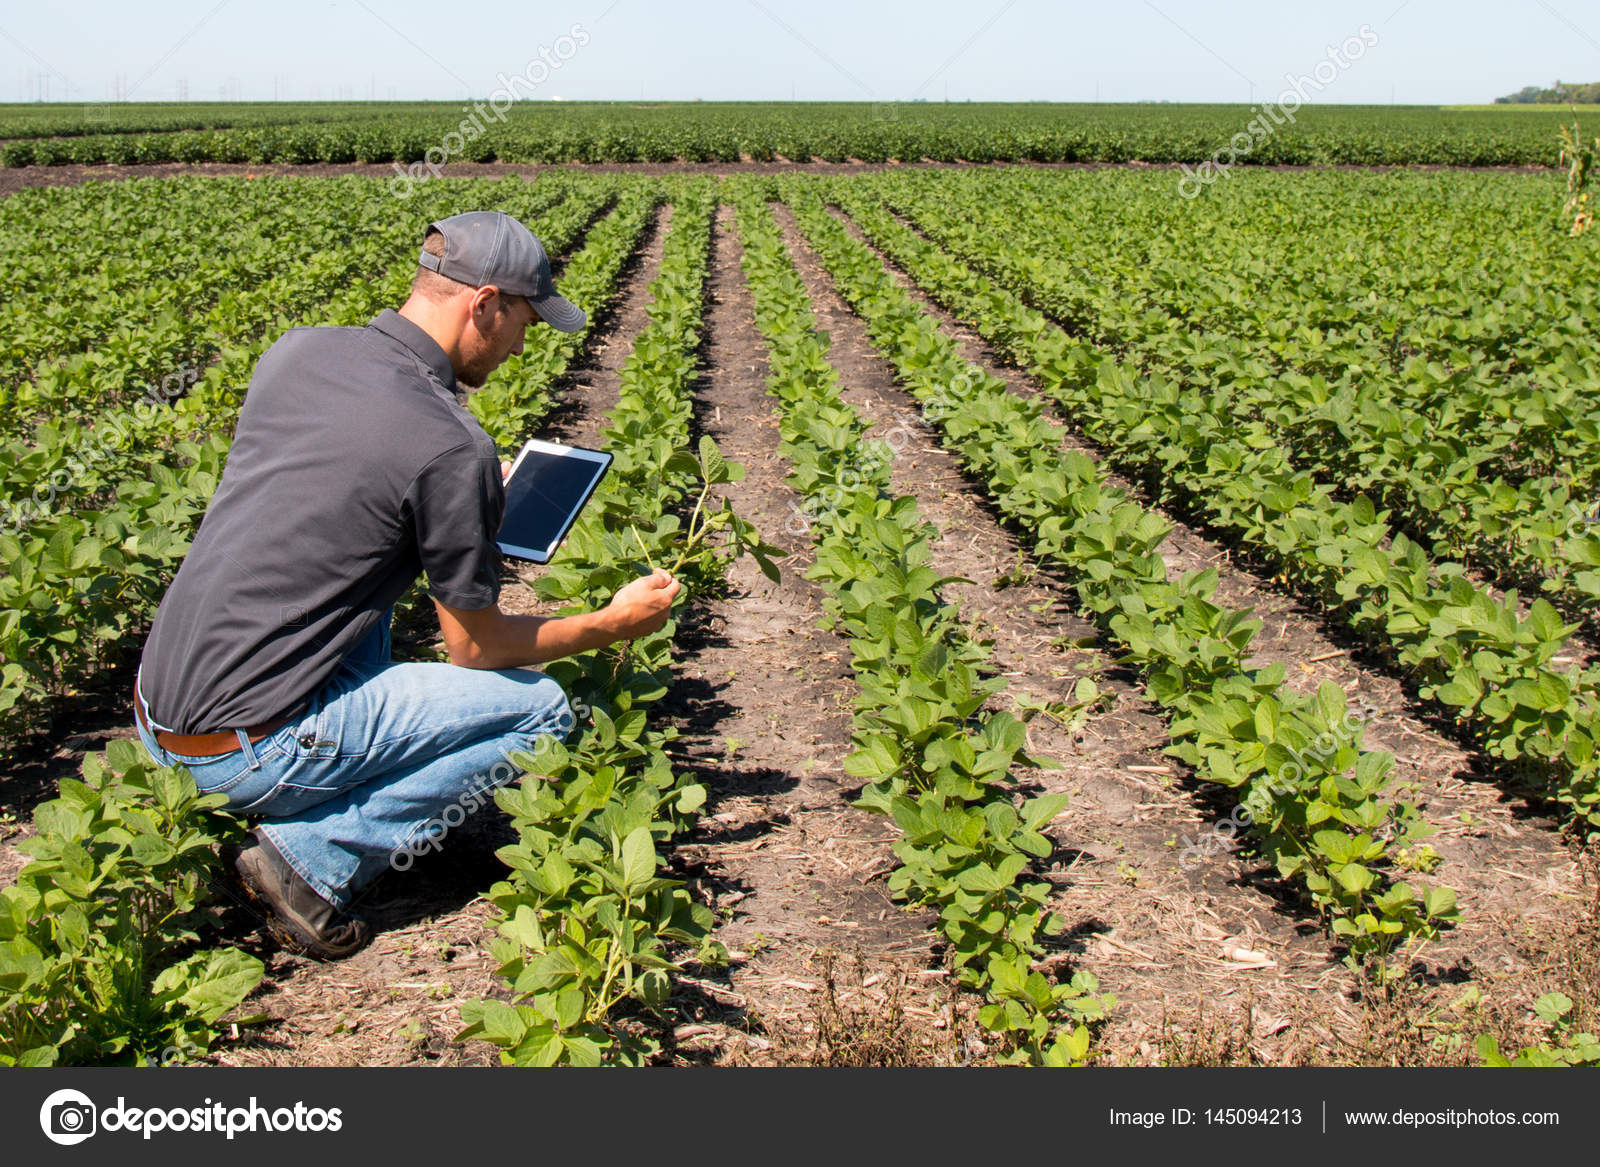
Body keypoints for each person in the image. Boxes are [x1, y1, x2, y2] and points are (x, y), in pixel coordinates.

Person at [133, 210, 680, 960]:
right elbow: (474, 649)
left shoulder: (297, 353)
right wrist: (611, 623)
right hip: (242, 751)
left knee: (368, 598)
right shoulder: (451, 445)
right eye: (524, 318)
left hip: (159, 714)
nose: (524, 343)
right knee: (542, 711)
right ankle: (311, 861)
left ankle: (291, 776)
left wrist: (464, 509)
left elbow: (335, 501)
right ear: (483, 303)